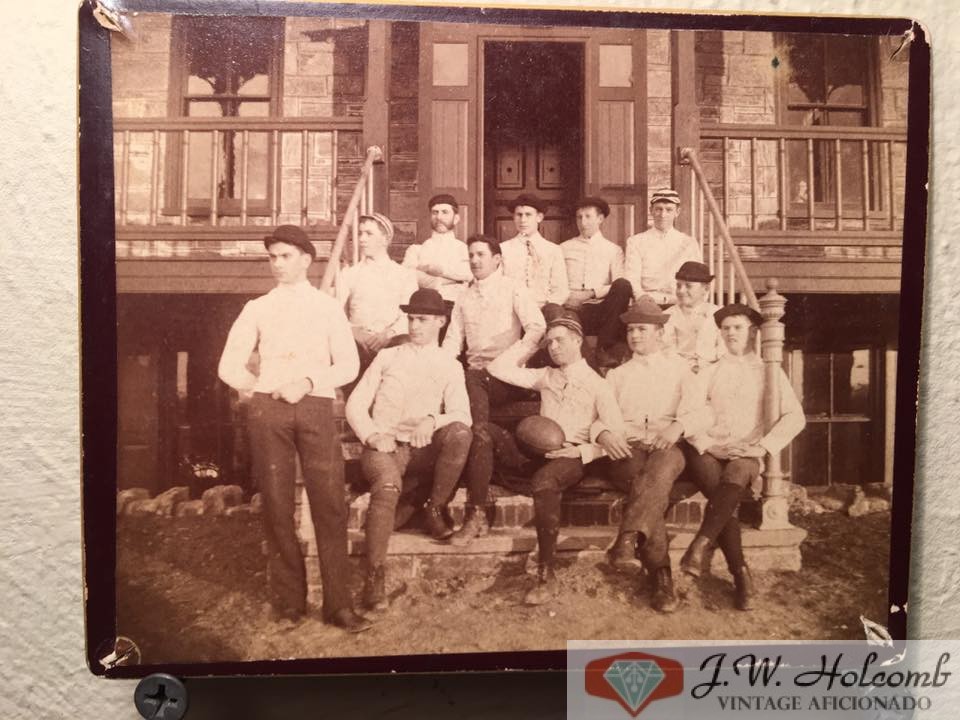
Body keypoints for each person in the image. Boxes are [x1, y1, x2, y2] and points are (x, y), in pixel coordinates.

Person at [217, 225, 370, 632]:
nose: (278, 264)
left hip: (315, 406)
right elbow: (228, 365)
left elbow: (349, 365)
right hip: (269, 413)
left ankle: (339, 605)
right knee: (277, 504)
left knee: (330, 503)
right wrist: (259, 389)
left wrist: (306, 381)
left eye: (286, 256)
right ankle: (289, 604)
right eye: (273, 257)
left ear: (306, 259)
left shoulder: (326, 307)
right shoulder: (257, 308)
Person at [455, 311, 627, 606]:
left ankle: (546, 573)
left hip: (570, 457)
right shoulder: (545, 376)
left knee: (544, 482)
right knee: (484, 432)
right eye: (549, 343)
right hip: (536, 453)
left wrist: (583, 451)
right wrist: (533, 341)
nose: (553, 347)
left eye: (559, 341)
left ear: (577, 341)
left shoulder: (599, 383)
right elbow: (498, 367)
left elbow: (617, 434)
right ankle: (478, 511)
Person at [345, 288, 473, 611]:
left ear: (441, 323)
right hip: (385, 448)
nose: (415, 326)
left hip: (422, 450)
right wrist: (373, 435)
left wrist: (432, 419)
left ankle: (433, 507)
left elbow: (463, 414)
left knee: (459, 433)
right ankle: (375, 578)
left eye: (424, 320)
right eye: (412, 319)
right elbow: (355, 404)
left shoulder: (449, 365)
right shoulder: (387, 357)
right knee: (386, 485)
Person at [679, 304, 805, 610]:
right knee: (725, 499)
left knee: (733, 481)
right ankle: (741, 576)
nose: (731, 333)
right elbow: (688, 414)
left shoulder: (768, 372)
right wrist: (709, 444)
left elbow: (795, 417)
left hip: (746, 450)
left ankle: (704, 545)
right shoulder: (709, 370)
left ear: (753, 332)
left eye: (738, 327)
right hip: (708, 449)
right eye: (726, 328)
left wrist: (762, 447)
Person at [603, 296, 697, 613]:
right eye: (630, 330)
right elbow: (602, 418)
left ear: (659, 332)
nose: (635, 336)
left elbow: (701, 410)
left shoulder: (680, 369)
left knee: (656, 474)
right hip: (628, 450)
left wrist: (679, 426)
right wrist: (606, 434)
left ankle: (628, 537)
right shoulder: (616, 376)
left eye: (642, 329)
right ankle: (662, 578)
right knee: (647, 485)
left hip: (668, 446)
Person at [442, 235, 546, 428]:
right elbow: (453, 341)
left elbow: (537, 327)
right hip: (474, 375)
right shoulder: (464, 297)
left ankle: (479, 432)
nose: (474, 260)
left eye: (480, 254)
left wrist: (511, 360)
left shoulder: (513, 287)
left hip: (507, 378)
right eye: (471, 255)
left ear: (497, 259)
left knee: (472, 380)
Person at [337, 212, 419, 370]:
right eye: (360, 233)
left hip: (391, 341)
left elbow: (408, 315)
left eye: (369, 234)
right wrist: (353, 331)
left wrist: (388, 335)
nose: (361, 239)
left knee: (405, 347)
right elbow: (334, 310)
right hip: (358, 343)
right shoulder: (349, 274)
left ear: (385, 239)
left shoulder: (404, 275)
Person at [560, 197, 633, 363]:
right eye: (579, 217)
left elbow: (618, 282)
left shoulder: (613, 250)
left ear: (600, 219)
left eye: (588, 216)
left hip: (601, 309)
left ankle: (604, 347)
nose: (583, 222)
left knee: (623, 285)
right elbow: (557, 281)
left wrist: (591, 293)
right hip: (570, 307)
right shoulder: (564, 248)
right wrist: (570, 297)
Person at [624, 189, 702, 306]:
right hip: (646, 301)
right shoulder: (636, 241)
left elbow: (697, 279)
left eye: (669, 210)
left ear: (677, 212)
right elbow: (631, 278)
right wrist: (641, 298)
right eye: (658, 209)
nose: (663, 215)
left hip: (679, 301)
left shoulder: (689, 243)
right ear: (651, 211)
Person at [500, 193, 569, 307]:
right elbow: (499, 287)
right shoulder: (503, 249)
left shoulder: (553, 250)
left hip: (545, 310)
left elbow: (561, 290)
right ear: (513, 217)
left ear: (539, 217)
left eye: (528, 215)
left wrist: (546, 308)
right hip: (512, 310)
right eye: (519, 215)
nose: (523, 220)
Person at [402, 194, 472, 303]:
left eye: (445, 212)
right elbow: (408, 276)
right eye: (435, 212)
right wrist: (451, 280)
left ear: (456, 218)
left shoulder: (464, 249)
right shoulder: (416, 249)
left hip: (456, 304)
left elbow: (469, 275)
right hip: (425, 305)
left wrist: (435, 270)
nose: (439, 217)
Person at [663, 261, 723, 372]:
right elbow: (667, 351)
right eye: (678, 286)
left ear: (705, 289)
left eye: (688, 286)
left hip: (712, 372)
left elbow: (723, 350)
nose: (681, 291)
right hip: (679, 372)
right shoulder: (668, 316)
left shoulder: (718, 313)